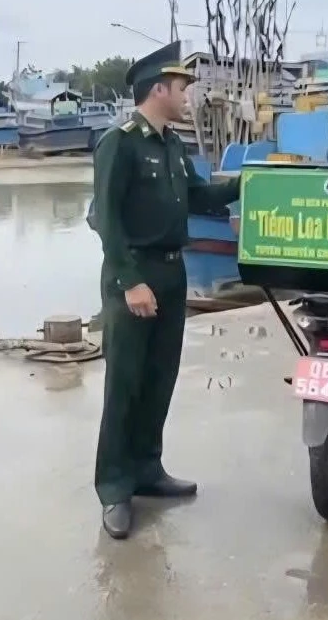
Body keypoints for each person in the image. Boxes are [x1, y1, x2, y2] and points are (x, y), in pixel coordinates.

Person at [90, 40, 240, 540]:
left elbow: (202, 195)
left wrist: (251, 180)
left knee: (160, 378)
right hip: (135, 275)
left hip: (173, 276)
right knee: (126, 384)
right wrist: (130, 281)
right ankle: (115, 487)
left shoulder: (171, 144)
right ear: (159, 89)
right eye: (182, 88)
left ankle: (148, 470)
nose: (188, 98)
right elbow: (106, 220)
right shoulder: (121, 141)